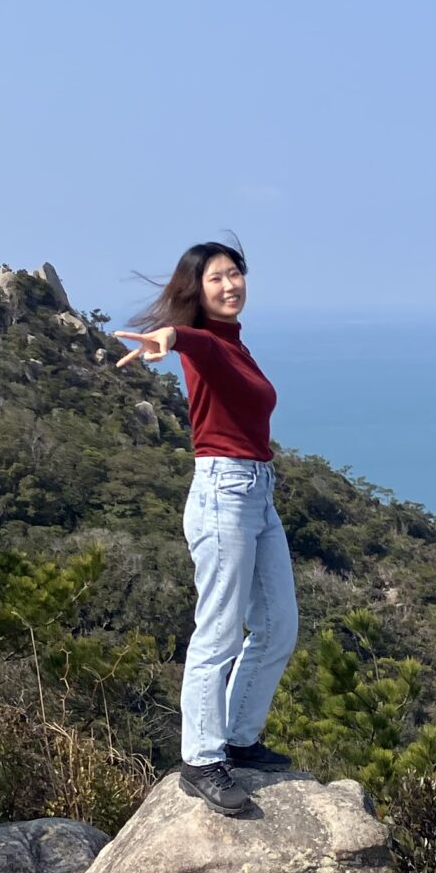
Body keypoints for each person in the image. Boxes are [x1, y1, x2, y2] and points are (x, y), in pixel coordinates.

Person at [115, 241, 298, 817]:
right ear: (198, 290)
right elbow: (182, 339)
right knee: (219, 630)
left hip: (257, 492)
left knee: (278, 626)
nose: (230, 284)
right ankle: (201, 758)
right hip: (223, 492)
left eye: (235, 273)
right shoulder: (202, 341)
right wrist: (166, 338)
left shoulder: (235, 343)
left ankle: (240, 739)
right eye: (216, 278)